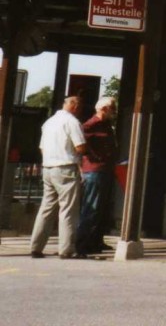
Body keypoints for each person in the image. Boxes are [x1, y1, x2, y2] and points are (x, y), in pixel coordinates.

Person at [30, 95, 87, 259]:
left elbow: (42, 148)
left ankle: (36, 246)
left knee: (46, 208)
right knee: (68, 209)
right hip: (66, 167)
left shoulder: (49, 123)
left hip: (48, 167)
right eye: (80, 105)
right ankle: (67, 249)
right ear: (75, 106)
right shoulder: (72, 122)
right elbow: (80, 146)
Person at [76, 96, 118, 254]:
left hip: (105, 169)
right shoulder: (91, 124)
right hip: (94, 170)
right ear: (105, 109)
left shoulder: (106, 125)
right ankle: (83, 243)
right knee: (92, 207)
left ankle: (96, 240)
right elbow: (79, 142)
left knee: (102, 208)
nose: (114, 112)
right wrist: (92, 156)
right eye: (113, 108)